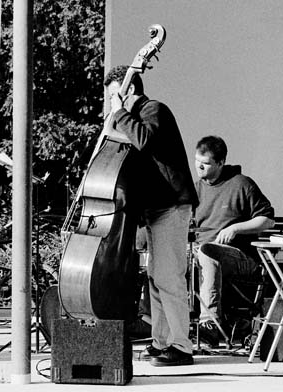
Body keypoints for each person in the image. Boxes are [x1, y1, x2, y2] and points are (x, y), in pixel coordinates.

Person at [105, 65, 198, 366]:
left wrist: (119, 113)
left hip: (172, 204)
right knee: (156, 277)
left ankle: (181, 346)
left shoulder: (153, 109)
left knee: (169, 277)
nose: (110, 103)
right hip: (155, 208)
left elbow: (144, 140)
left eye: (112, 96)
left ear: (128, 90)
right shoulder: (132, 119)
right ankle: (161, 342)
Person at [193, 135, 275, 347]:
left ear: (220, 163)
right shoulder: (196, 188)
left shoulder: (241, 184)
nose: (199, 167)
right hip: (201, 252)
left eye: (206, 163)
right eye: (196, 161)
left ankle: (209, 325)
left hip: (241, 258)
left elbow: (267, 220)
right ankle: (153, 322)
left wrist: (236, 228)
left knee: (207, 250)